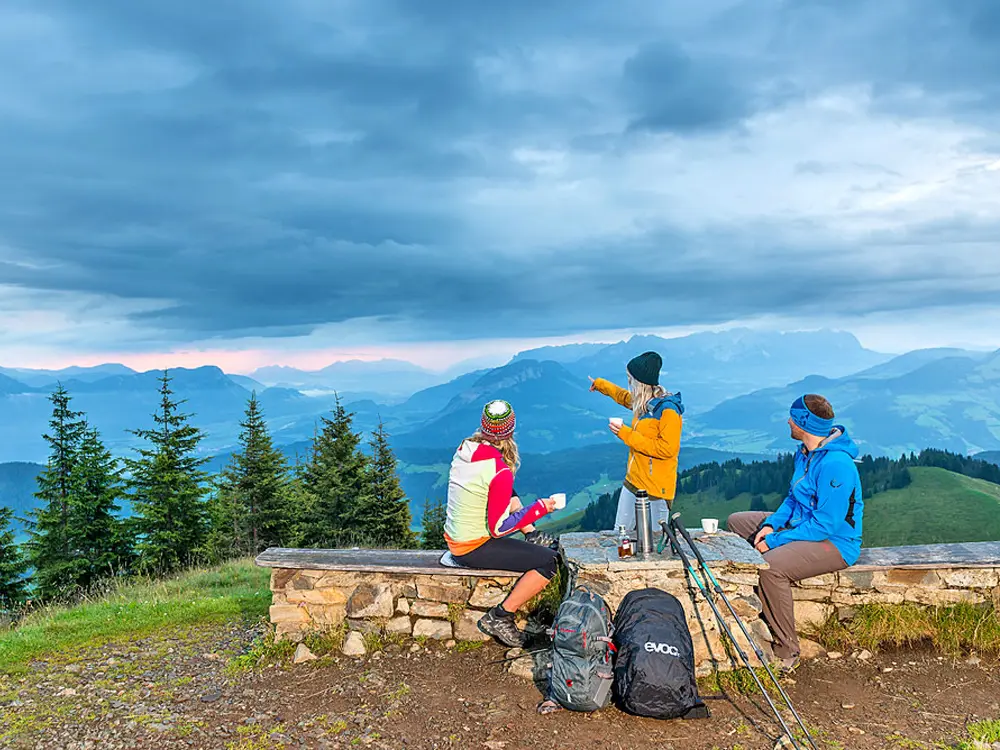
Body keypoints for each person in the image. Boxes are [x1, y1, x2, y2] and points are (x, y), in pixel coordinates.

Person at [727, 394, 864, 672]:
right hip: (802, 524)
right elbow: (792, 498)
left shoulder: (836, 464)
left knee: (771, 568)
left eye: (792, 417)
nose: (787, 420)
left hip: (835, 542)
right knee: (736, 521)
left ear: (803, 422)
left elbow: (827, 524)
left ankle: (787, 648)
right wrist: (771, 525)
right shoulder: (805, 453)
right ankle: (754, 597)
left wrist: (775, 541)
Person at [444, 399, 561, 647]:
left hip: (457, 540)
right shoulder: (499, 470)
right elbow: (500, 528)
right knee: (549, 561)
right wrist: (540, 508)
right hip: (473, 548)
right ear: (511, 430)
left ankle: (531, 535)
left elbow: (498, 488)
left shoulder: (466, 448)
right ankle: (500, 616)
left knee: (506, 488)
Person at [589, 351, 684, 534]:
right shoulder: (645, 403)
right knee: (621, 533)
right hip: (633, 481)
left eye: (630, 378)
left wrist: (625, 433)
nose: (629, 382)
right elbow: (624, 397)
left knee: (656, 538)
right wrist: (600, 385)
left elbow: (667, 449)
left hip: (657, 489)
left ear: (640, 382)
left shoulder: (668, 411)